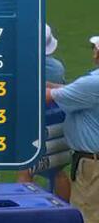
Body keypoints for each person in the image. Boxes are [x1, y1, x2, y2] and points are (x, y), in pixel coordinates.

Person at [48, 34, 99, 220]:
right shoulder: (91, 84)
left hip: (92, 167)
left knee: (86, 216)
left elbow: (49, 96)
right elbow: (72, 91)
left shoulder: (92, 83)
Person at [20, 25, 72, 199]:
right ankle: (65, 209)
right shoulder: (57, 67)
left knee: (25, 170)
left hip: (31, 120)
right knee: (57, 171)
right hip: (57, 120)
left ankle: (25, 209)